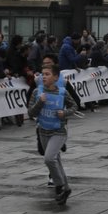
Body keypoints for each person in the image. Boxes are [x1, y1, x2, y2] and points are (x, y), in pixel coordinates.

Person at [28, 63, 77, 205]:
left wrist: (65, 113)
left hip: (59, 132)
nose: (44, 77)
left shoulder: (62, 92)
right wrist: (40, 103)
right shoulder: (37, 92)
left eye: (47, 74)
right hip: (43, 131)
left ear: (56, 77)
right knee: (56, 160)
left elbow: (75, 106)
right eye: (43, 74)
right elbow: (31, 113)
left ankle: (59, 185)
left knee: (49, 159)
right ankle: (66, 189)